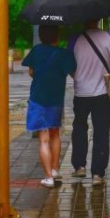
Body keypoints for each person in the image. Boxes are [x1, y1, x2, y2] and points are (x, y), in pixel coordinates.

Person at [68, 19, 110, 186]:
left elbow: (69, 65)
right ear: (98, 19)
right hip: (103, 94)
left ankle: (79, 167)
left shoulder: (74, 39)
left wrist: (78, 77)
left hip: (81, 93)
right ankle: (98, 174)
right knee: (101, 132)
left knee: (79, 129)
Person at [22, 25, 77, 188]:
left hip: (38, 99)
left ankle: (48, 177)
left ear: (40, 35)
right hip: (56, 99)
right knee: (55, 134)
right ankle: (54, 169)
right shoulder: (64, 54)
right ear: (57, 36)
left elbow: (31, 72)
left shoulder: (36, 51)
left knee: (43, 139)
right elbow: (72, 73)